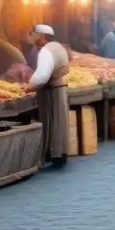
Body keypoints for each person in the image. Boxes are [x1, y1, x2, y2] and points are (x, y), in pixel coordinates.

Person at [24, 24, 70, 169]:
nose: (33, 37)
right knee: (60, 122)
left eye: (35, 34)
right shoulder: (59, 47)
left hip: (51, 91)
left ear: (43, 36)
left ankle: (53, 153)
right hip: (61, 88)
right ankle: (61, 153)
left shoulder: (45, 51)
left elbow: (43, 74)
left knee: (52, 121)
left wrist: (29, 86)